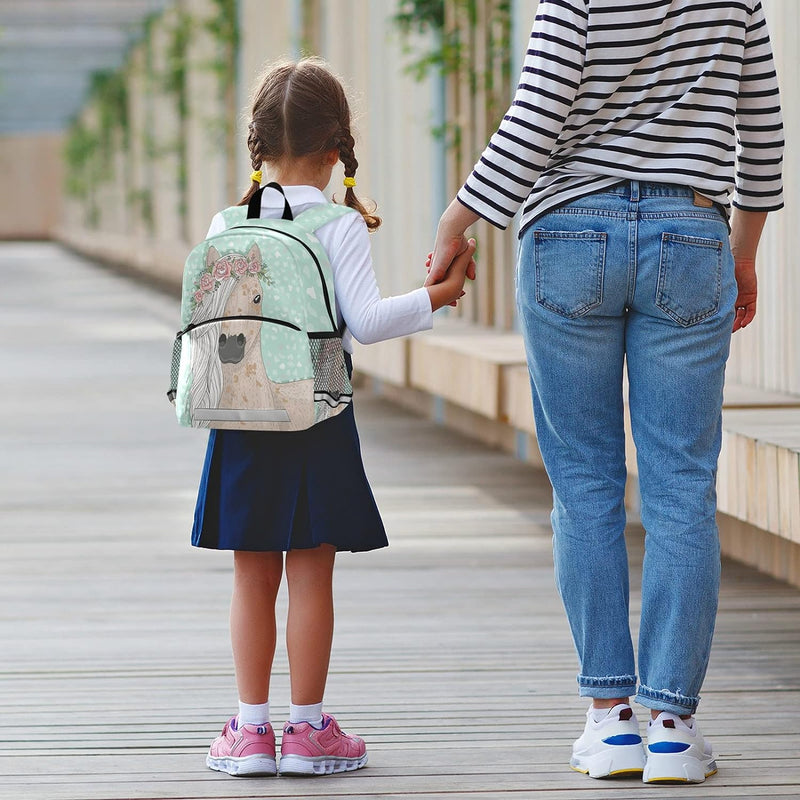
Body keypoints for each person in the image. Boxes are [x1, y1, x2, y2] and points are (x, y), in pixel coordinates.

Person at [427, 0, 782, 785]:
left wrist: (457, 221)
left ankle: (610, 721)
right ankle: (674, 729)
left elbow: (537, 113)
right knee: (681, 487)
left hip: (568, 232)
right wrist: (743, 252)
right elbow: (762, 140)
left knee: (584, 481)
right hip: (692, 234)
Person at [194, 57, 475, 778]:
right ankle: (310, 729)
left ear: (256, 146)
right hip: (318, 408)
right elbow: (369, 323)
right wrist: (436, 296)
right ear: (334, 151)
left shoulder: (227, 221)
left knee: (250, 575)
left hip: (242, 409)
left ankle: (251, 733)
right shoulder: (338, 223)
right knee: (311, 575)